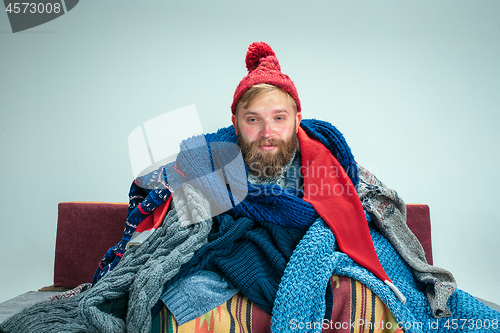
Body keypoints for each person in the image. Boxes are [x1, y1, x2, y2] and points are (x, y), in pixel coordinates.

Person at [1, 42, 499, 333]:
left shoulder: (327, 162)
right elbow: (171, 227)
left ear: (296, 119)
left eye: (278, 118)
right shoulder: (210, 159)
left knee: (361, 291)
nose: (267, 132)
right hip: (227, 261)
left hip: (312, 255)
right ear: (236, 122)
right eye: (254, 119)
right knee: (177, 295)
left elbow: (371, 215)